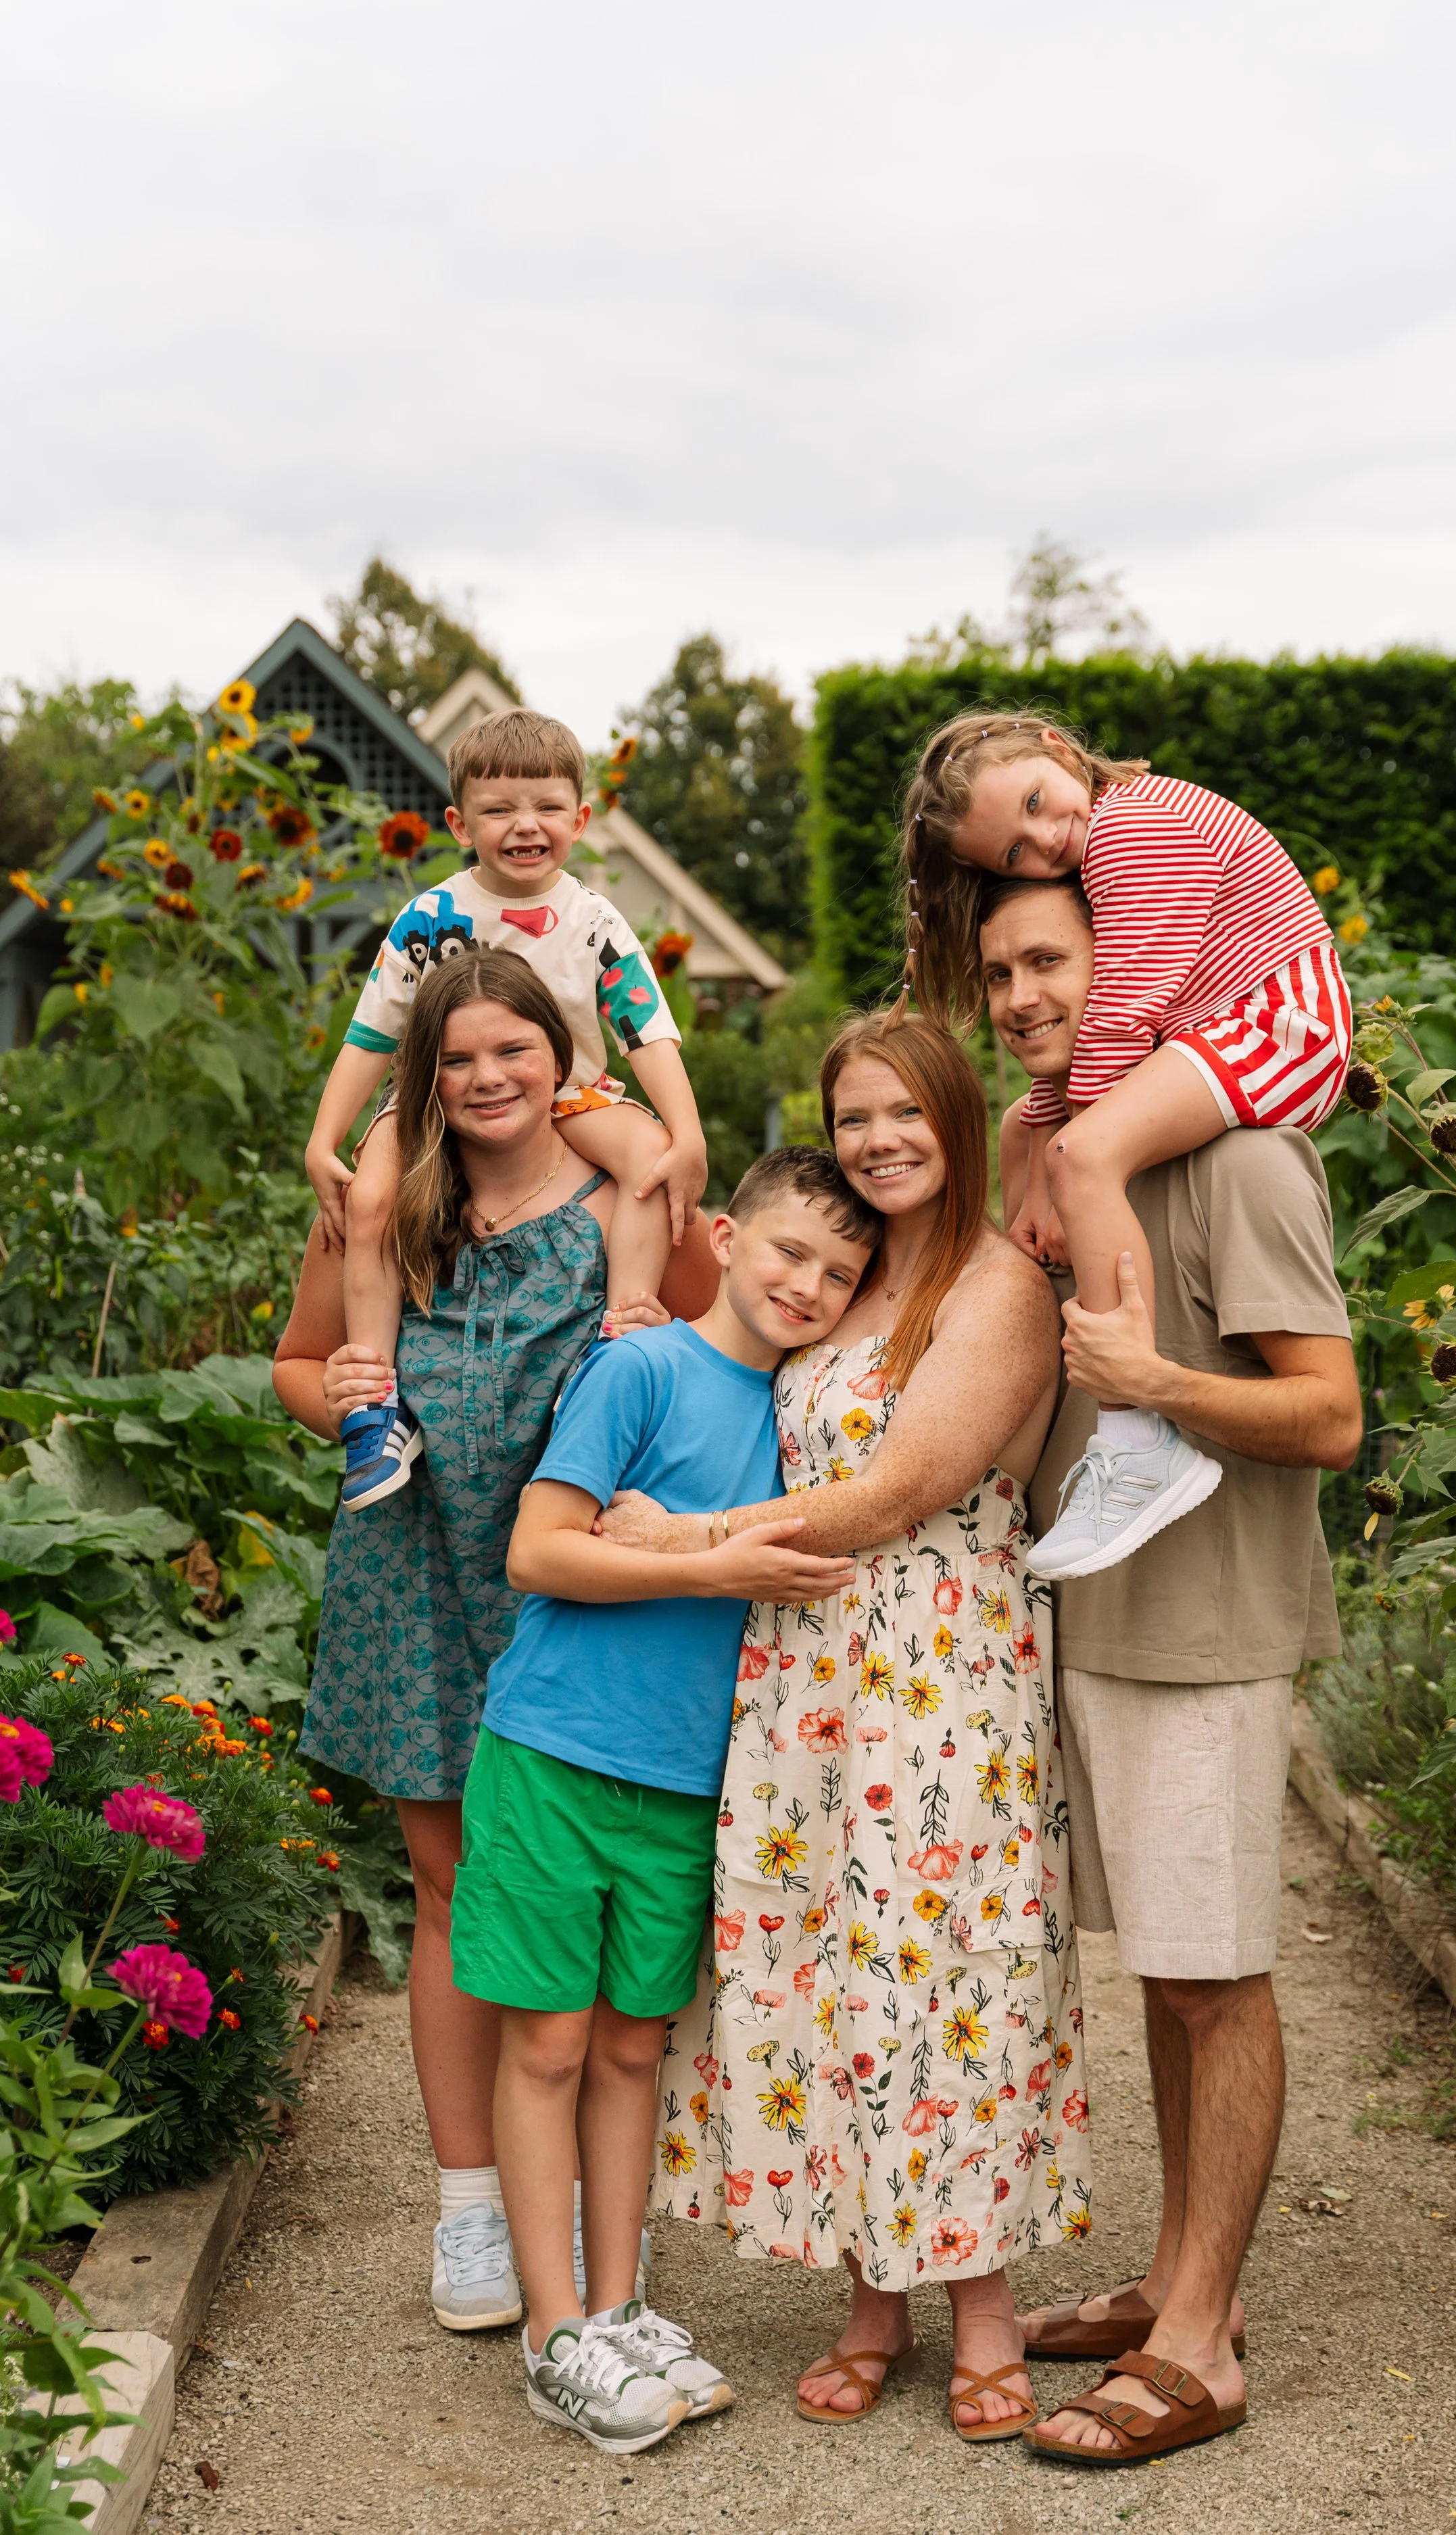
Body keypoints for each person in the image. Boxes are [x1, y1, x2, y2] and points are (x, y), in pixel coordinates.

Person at [609, 1011, 1092, 2444]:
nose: (878, 1142)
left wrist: (686, 1536)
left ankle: (984, 2306)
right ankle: (868, 2293)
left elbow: (896, 1493)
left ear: (949, 1117)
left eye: (904, 1115)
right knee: (820, 1970)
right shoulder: (848, 1273)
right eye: (853, 1119)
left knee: (954, 1980)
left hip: (941, 1685)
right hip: (803, 1673)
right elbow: (674, 1217)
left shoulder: (993, 1287)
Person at [975, 871, 1362, 2466]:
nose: (1016, 992)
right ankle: (1175, 2276)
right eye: (995, 967)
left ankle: (1202, 2342)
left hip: (1204, 1629)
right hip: (1099, 1618)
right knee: (1167, 1973)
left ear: (1129, 962)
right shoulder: (1070, 1158)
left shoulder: (1247, 1159)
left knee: (1218, 1977)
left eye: (1050, 957)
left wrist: (1160, 1381)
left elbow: (1331, 1416)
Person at [279, 950, 716, 2341]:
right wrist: (338, 1387)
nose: (484, 1081)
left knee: (586, 1889)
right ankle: (471, 2205)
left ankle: (589, 2207)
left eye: (509, 1054)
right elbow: (295, 1366)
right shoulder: (385, 1203)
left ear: (557, 1057)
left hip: (573, 1588)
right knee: (450, 1876)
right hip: (417, 1572)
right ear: (427, 1074)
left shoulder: (626, 1203)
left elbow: (720, 1345)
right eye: (456, 1060)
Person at [450, 1146, 877, 2453]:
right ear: (731, 1233)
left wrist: (700, 1544)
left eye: (842, 1274)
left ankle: (622, 2306)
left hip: (693, 1785)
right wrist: (719, 1564)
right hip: (557, 1753)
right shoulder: (640, 1367)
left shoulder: (812, 1411)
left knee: (637, 2048)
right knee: (550, 2046)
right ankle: (552, 2329)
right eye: (792, 1251)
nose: (808, 1285)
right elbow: (539, 1549)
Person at [900, 710, 1352, 1583]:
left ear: (1061, 750)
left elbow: (1122, 1010)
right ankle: (1131, 1440)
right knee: (1065, 1145)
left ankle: (1139, 1438)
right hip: (1227, 1028)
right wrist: (1038, 1140)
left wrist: (1055, 1167)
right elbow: (1090, 1057)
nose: (1046, 840)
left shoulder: (1135, 828)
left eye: (1037, 802)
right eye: (1015, 857)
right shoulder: (1114, 837)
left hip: (1279, 1027)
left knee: (1085, 1155)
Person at [304, 708, 708, 1511]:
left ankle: (616, 1340)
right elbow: (371, 1031)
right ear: (460, 823)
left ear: (580, 820)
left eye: (547, 808)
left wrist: (686, 1132)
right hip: (432, 1095)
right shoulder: (430, 918)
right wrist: (325, 1139)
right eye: (499, 810)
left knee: (650, 1162)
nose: (526, 826)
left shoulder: (592, 919)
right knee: (374, 1197)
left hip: (571, 1094)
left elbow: (644, 1027)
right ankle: (376, 1407)